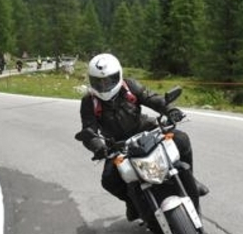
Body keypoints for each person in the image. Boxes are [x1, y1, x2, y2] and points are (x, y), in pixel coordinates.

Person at [75, 53, 207, 221]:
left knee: (181, 139)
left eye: (109, 80)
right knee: (109, 180)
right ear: (91, 80)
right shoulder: (88, 102)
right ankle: (132, 202)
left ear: (118, 75)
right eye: (99, 81)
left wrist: (171, 110)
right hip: (116, 145)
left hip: (146, 129)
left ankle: (191, 179)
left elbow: (152, 98)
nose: (104, 85)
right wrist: (97, 146)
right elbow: (88, 130)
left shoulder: (129, 86)